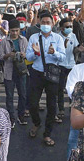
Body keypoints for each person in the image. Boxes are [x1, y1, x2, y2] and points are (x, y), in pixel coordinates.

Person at [25, 11, 65, 146]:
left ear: (53, 24)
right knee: (33, 103)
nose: (46, 25)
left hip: (52, 74)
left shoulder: (58, 38)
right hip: (37, 73)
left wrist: (55, 53)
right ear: (39, 24)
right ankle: (36, 123)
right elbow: (28, 57)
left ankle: (47, 134)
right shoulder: (34, 38)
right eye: (43, 22)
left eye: (48, 22)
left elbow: (63, 57)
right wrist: (36, 53)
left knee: (51, 105)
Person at [0, 20, 29, 125]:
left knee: (23, 95)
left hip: (21, 70)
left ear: (19, 30)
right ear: (9, 31)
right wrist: (9, 55)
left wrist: (23, 55)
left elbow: (29, 54)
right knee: (10, 96)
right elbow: (1, 57)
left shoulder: (24, 40)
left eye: (16, 31)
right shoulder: (4, 41)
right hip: (9, 71)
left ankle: (21, 116)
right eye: (12, 31)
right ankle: (11, 118)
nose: (15, 33)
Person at [57, 18, 83, 121]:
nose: (69, 29)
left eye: (70, 26)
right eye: (67, 27)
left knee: (73, 88)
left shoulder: (73, 36)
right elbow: (56, 51)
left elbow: (75, 49)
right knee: (60, 88)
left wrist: (79, 49)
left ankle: (73, 108)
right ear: (62, 28)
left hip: (71, 64)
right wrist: (63, 46)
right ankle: (61, 109)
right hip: (60, 65)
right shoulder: (57, 37)